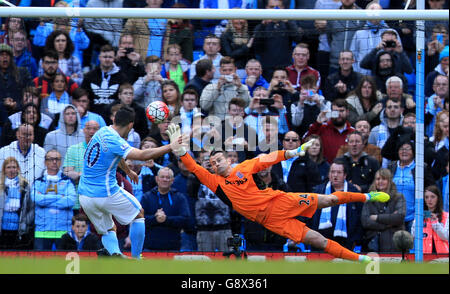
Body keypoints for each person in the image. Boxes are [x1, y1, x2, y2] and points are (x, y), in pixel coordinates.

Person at [168, 125, 390, 262]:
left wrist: (293, 152)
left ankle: (368, 196)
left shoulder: (244, 167)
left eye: (219, 159)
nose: (216, 164)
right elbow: (194, 167)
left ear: (228, 159)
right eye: (213, 163)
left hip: (279, 201)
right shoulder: (215, 181)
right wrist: (179, 150)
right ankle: (361, 260)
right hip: (270, 221)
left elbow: (270, 158)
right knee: (318, 240)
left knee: (329, 199)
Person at [77, 105, 186, 259]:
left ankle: (115, 255)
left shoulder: (102, 131)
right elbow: (142, 155)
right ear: (130, 125)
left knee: (109, 228)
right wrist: (171, 146)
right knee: (138, 214)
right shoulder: (115, 139)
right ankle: (136, 258)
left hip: (84, 197)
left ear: (115, 120)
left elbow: (116, 154)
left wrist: (128, 171)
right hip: (104, 192)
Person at [307, 158, 364, 251]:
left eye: (339, 172)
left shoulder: (354, 193)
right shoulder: (319, 191)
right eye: (332, 172)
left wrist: (356, 240)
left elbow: (359, 218)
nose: (335, 175)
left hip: (345, 243)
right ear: (329, 174)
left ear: (345, 175)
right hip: (320, 242)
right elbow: (310, 215)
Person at [31, 149, 77, 250]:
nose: (54, 162)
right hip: (42, 231)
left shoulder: (68, 181)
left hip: (64, 231)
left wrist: (45, 199)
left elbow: (70, 200)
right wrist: (60, 196)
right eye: (51, 159)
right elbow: (36, 199)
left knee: (62, 264)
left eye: (57, 159)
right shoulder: (38, 182)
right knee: (41, 265)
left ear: (61, 161)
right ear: (45, 162)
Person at [388, 139, 436, 233]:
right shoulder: (391, 167)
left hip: (414, 218)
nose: (404, 151)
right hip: (394, 216)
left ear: (413, 152)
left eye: (407, 149)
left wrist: (426, 214)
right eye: (401, 149)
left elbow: (431, 190)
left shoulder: (421, 168)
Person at [140, 167, 190, 251]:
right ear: (157, 179)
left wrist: (166, 219)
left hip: (173, 247)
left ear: (172, 180)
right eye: (162, 177)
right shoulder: (147, 197)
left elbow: (185, 219)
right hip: (150, 247)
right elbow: (139, 219)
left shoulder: (180, 197)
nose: (165, 180)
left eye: (168, 177)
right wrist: (155, 218)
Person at [252, 0, 302, 81]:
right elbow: (256, 47)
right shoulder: (261, 26)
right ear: (266, 8)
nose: (275, 9)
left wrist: (288, 22)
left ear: (283, 8)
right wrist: (263, 26)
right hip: (267, 69)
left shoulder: (288, 24)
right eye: (272, 7)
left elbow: (298, 39)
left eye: (278, 7)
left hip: (286, 68)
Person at [360, 168, 406, 253]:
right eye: (378, 179)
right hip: (373, 244)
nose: (380, 181)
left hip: (394, 244)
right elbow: (366, 221)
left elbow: (399, 217)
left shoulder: (399, 197)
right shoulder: (369, 198)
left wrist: (377, 217)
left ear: (389, 181)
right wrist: (388, 223)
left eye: (383, 179)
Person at [80, 44, 128, 122]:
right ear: (99, 58)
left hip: (113, 118)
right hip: (93, 117)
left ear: (114, 58)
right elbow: (83, 96)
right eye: (105, 57)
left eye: (110, 57)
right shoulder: (89, 76)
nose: (107, 60)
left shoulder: (122, 77)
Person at [63, 120, 100, 213]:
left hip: (98, 202)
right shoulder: (73, 149)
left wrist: (78, 176)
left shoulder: (104, 151)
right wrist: (86, 175)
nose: (91, 131)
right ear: (83, 130)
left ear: (99, 131)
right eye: (88, 128)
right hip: (77, 202)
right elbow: (67, 173)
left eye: (95, 129)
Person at [304, 98, 355, 164]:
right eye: (335, 111)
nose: (338, 114)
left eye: (341, 111)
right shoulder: (322, 127)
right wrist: (317, 123)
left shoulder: (353, 132)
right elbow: (305, 141)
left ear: (347, 112)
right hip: (324, 169)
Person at [199, 56, 250, 121]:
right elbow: (204, 106)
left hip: (235, 125)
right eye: (224, 70)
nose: (227, 73)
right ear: (220, 71)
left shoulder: (242, 88)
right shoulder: (210, 87)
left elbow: (247, 105)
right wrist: (217, 89)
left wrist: (240, 87)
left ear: (235, 70)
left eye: (230, 70)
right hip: (216, 126)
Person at [0, 157, 34, 250]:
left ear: (18, 169)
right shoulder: (0, 185)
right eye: (9, 167)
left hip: (19, 230)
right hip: (2, 230)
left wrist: (25, 222)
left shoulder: (25, 186)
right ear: (4, 169)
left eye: (14, 167)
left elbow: (32, 208)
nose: (12, 170)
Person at [325, 0, 364, 74]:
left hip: (355, 65)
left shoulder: (363, 15)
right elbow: (329, 37)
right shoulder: (332, 15)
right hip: (335, 64)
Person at [411, 185, 449, 254]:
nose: (429, 200)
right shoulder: (419, 216)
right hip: (424, 255)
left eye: (432, 197)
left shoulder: (446, 216)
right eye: (426, 197)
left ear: (438, 198)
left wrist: (435, 223)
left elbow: (445, 236)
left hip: (442, 256)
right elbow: (413, 236)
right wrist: (418, 221)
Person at [368, 97, 404, 167]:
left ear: (401, 110)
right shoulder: (375, 130)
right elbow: (370, 154)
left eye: (396, 107)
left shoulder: (405, 130)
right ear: (385, 110)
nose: (392, 110)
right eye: (389, 107)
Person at [0, 44, 32, 122]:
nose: (5, 57)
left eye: (7, 55)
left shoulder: (23, 73)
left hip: (20, 116)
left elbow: (31, 95)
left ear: (11, 58)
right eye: (1, 55)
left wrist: (16, 105)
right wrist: (3, 103)